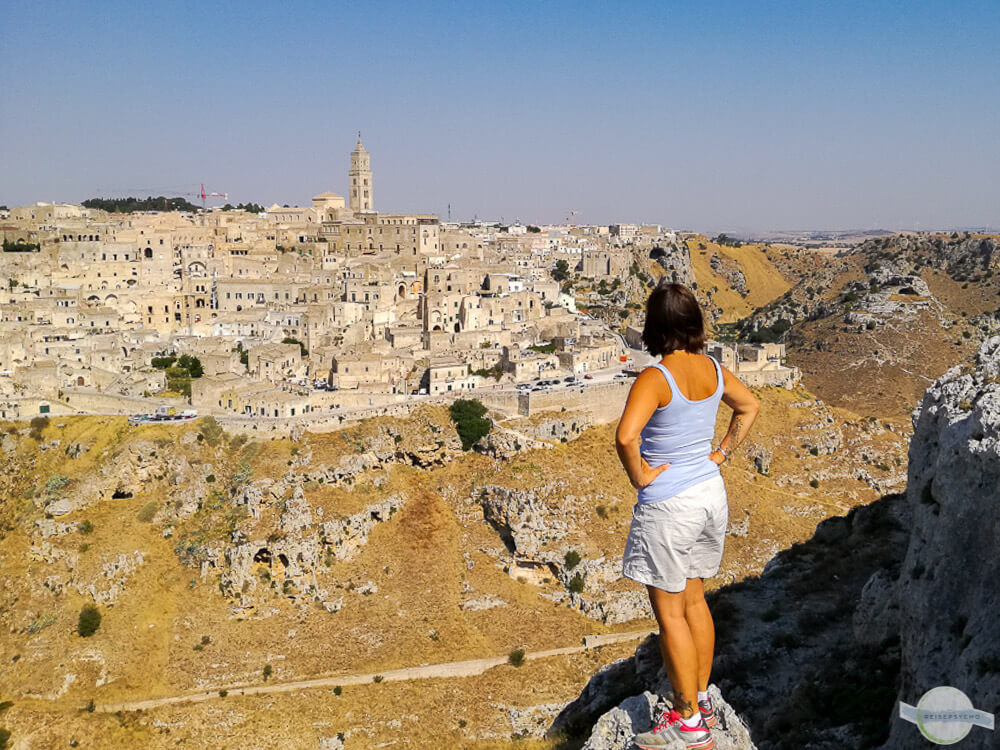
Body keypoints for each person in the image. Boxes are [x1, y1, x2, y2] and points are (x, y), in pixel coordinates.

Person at [615, 279, 760, 750]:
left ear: (654, 328)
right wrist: (721, 454)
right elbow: (749, 406)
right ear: (694, 323)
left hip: (671, 507)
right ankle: (701, 698)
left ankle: (688, 720)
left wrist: (639, 476)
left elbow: (625, 436)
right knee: (696, 601)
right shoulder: (714, 369)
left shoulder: (656, 378)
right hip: (710, 496)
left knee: (669, 614)